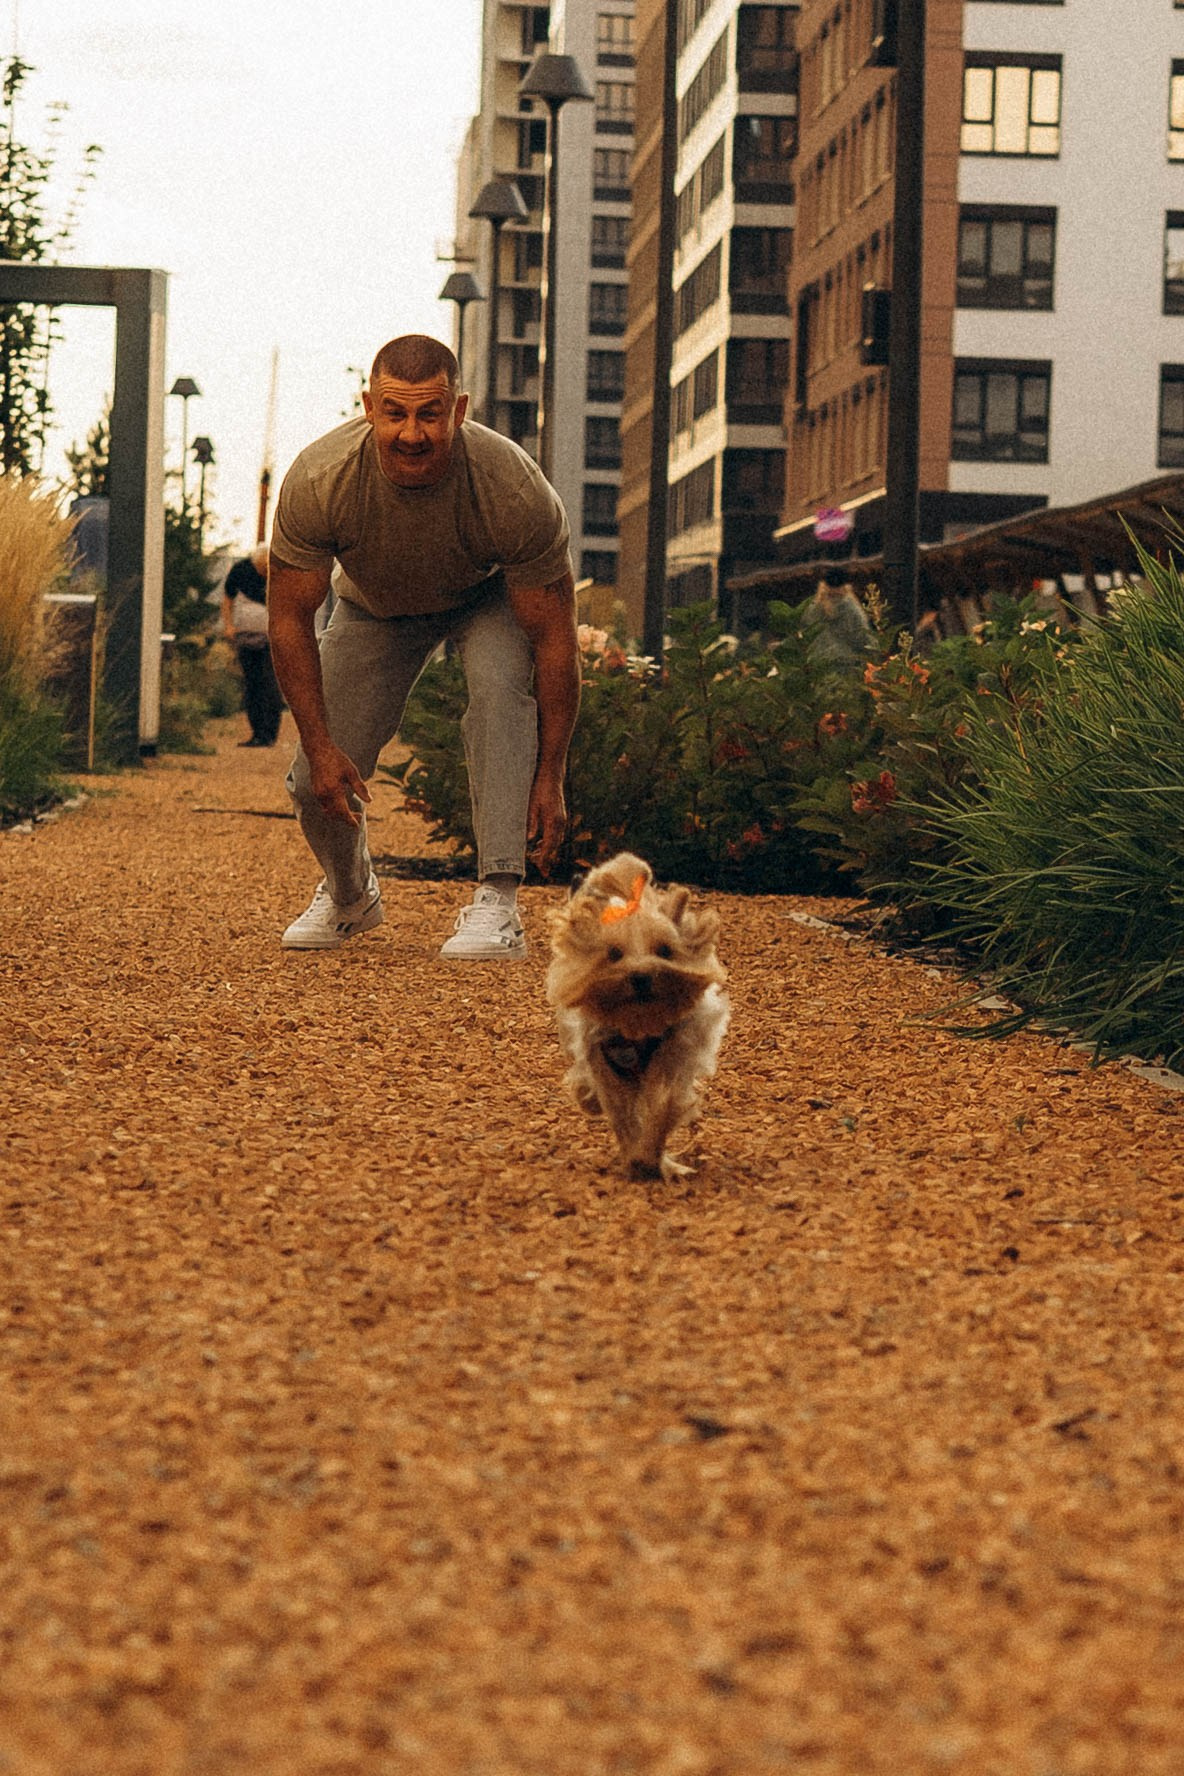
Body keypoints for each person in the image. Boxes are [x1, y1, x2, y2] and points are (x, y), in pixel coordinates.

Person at [267, 333, 580, 961]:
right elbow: (288, 621)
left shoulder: (512, 486)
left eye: (430, 414)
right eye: (396, 413)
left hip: (485, 596)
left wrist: (552, 772)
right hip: (375, 604)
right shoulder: (320, 477)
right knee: (310, 778)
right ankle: (350, 894)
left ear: (458, 411)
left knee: (497, 694)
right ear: (369, 408)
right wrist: (324, 747)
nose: (412, 433)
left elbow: (554, 638)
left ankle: (497, 900)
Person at [222, 542, 284, 747]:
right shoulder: (240, 571)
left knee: (270, 684)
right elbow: (227, 599)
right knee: (252, 685)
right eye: (263, 567)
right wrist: (228, 625)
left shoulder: (278, 572)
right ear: (255, 562)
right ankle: (257, 733)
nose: (266, 571)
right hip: (246, 638)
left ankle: (270, 734)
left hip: (271, 639)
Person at [803, 566, 875, 670]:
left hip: (819, 668)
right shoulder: (851, 609)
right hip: (848, 667)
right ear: (847, 585)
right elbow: (863, 638)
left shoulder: (812, 609)